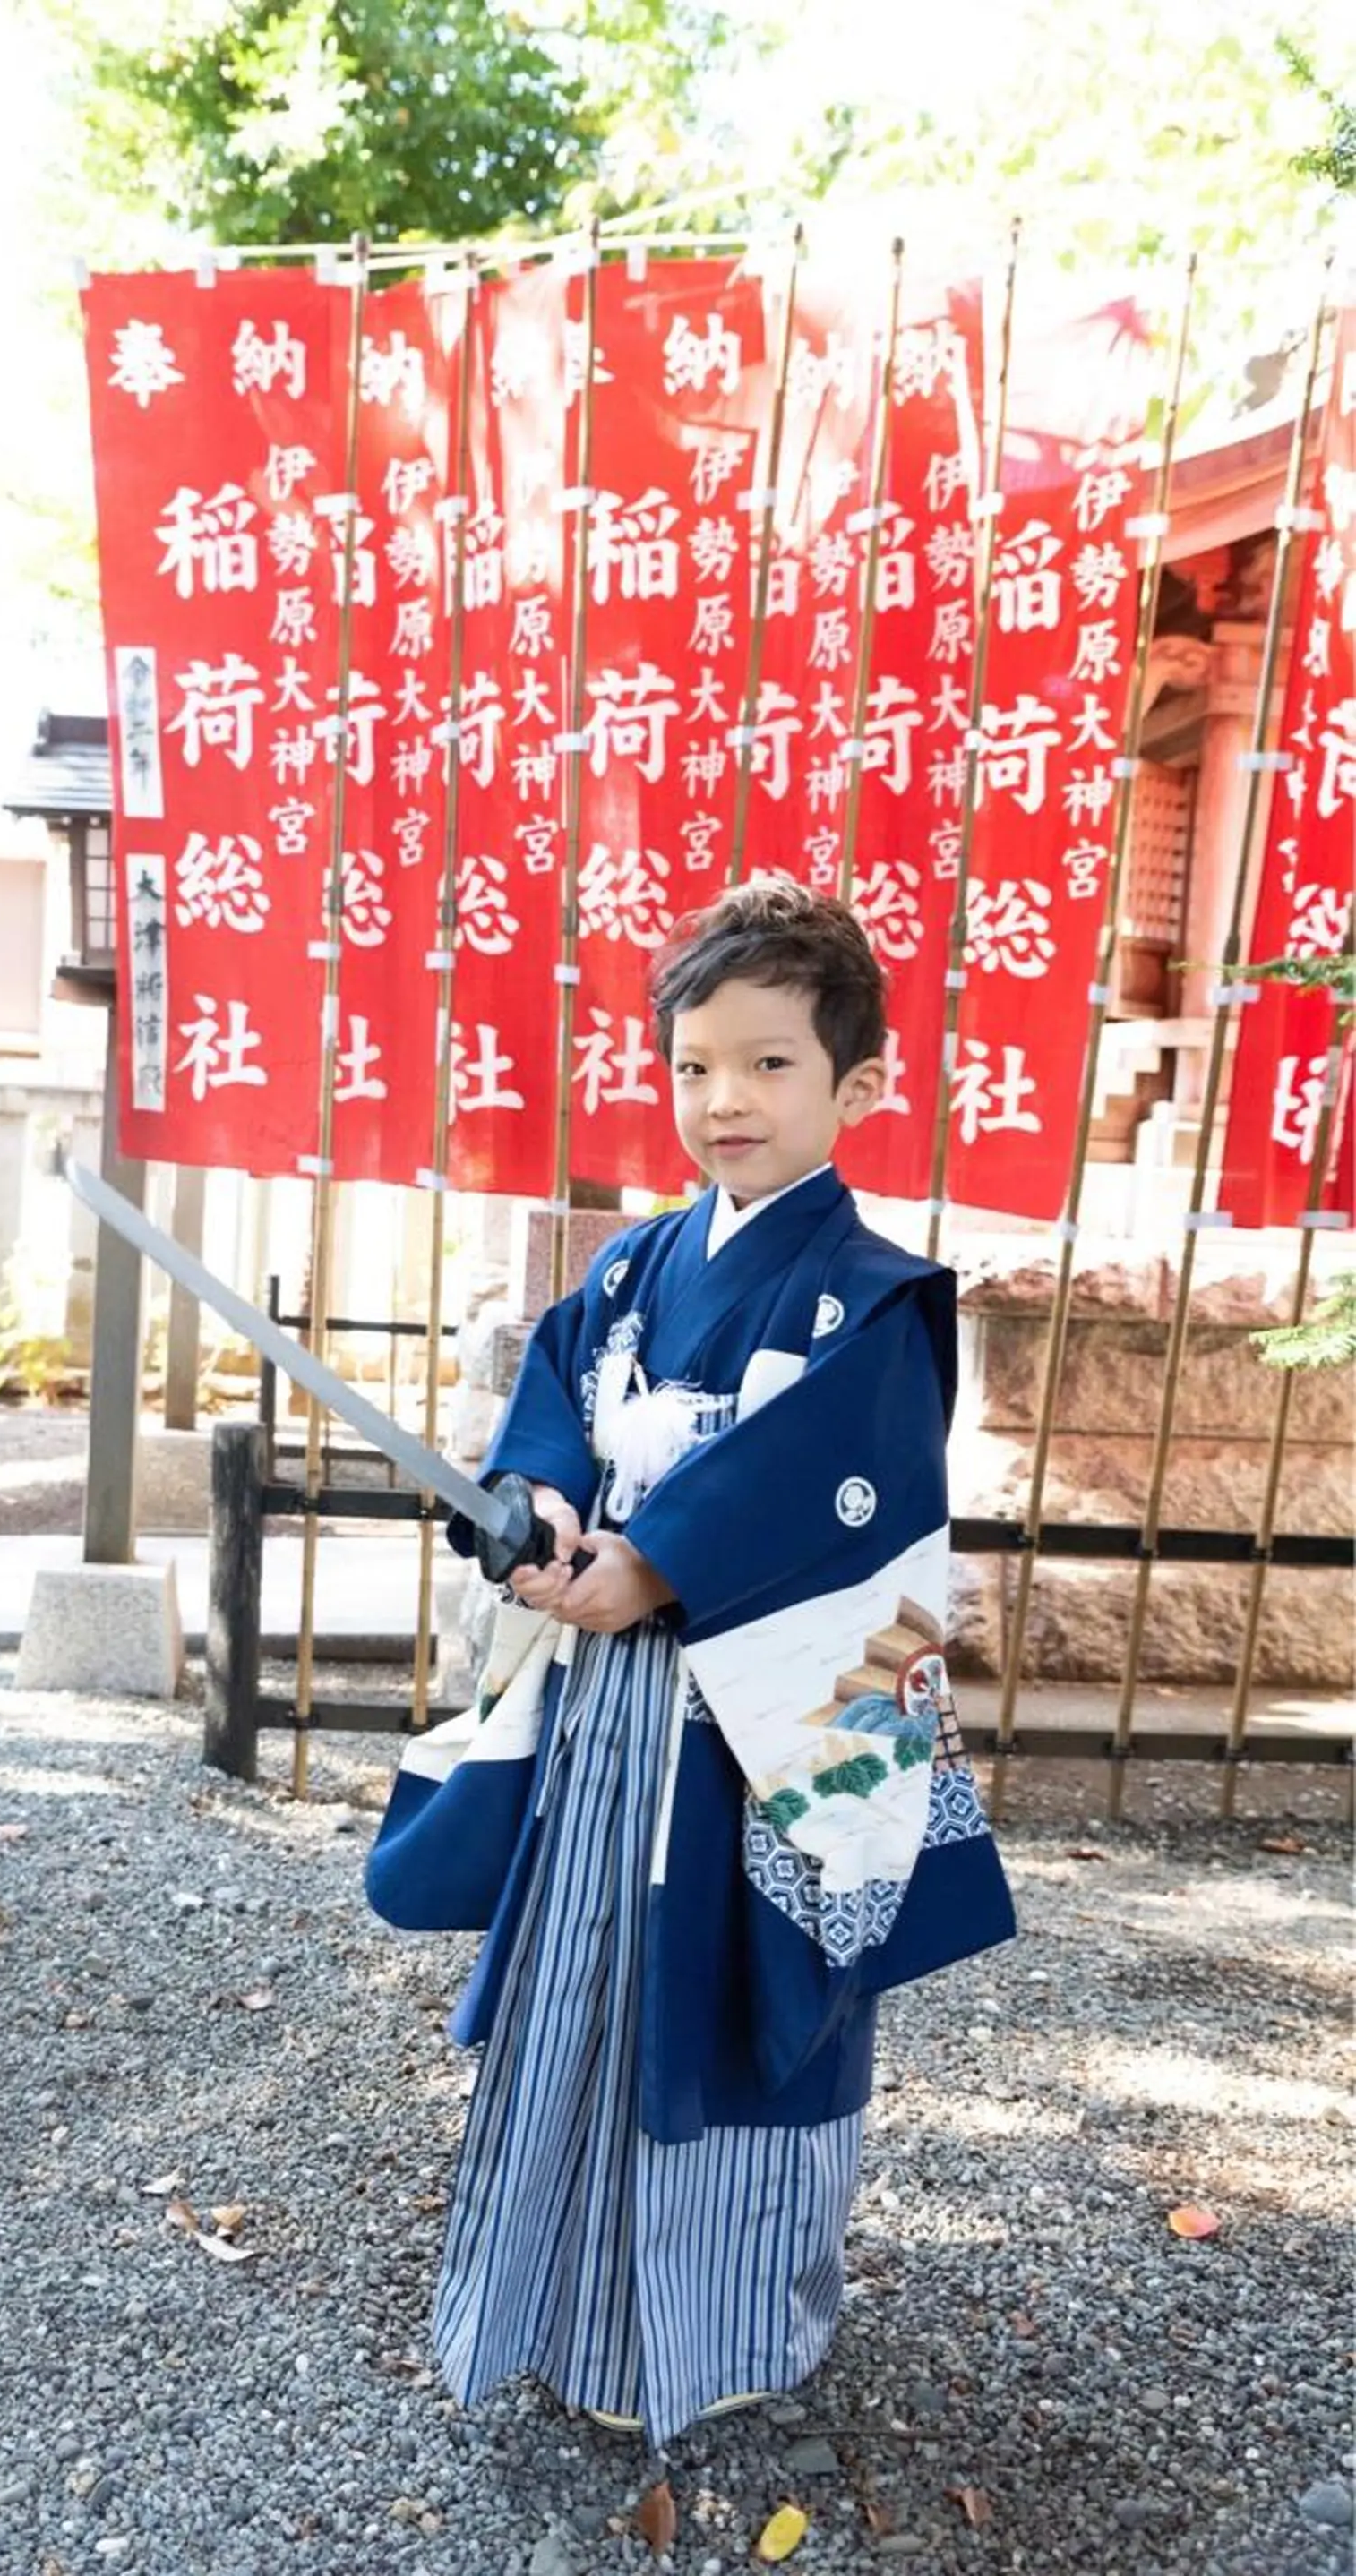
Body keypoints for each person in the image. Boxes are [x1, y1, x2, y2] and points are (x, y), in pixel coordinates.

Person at [366, 874, 1016, 2447]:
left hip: (762, 1742)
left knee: (740, 1998)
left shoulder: (879, 1302)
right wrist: (535, 1518)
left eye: (771, 1064)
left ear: (856, 1086)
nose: (724, 1099)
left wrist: (656, 1560)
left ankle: (724, 2330)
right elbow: (545, 1422)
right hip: (616, 1726)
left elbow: (847, 1489)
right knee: (585, 1982)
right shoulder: (637, 1270)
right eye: (695, 1066)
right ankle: (556, 2303)